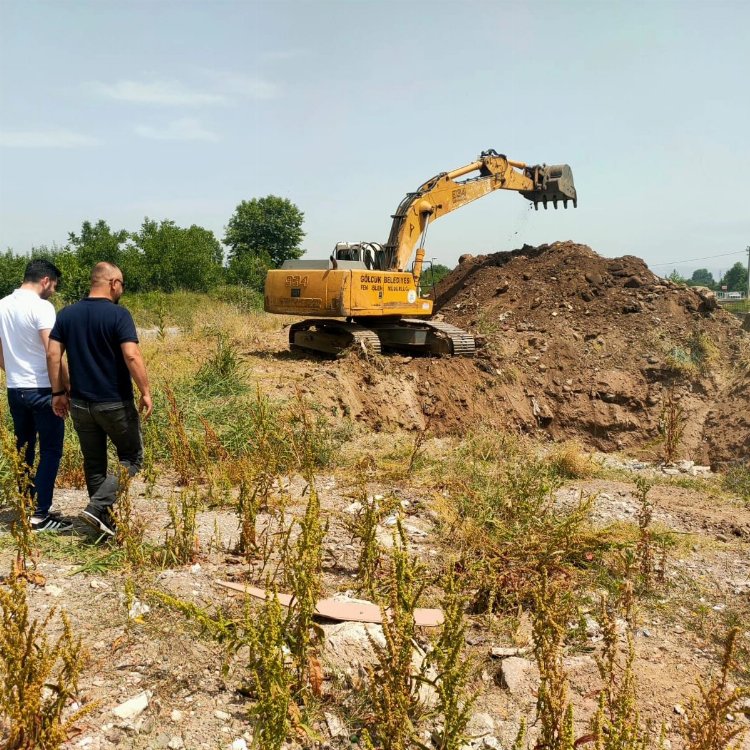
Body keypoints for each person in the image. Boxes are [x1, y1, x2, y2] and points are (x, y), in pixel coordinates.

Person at [47, 262, 153, 536]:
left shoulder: (67, 314)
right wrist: (145, 391)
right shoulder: (119, 315)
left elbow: (52, 356)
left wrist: (58, 392)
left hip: (81, 404)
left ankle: (101, 522)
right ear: (113, 283)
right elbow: (131, 355)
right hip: (114, 401)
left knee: (94, 463)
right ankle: (96, 509)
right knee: (132, 458)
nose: (122, 289)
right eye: (122, 284)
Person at [0, 259, 72, 532]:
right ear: (45, 280)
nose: (53, 291)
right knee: (51, 449)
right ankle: (40, 515)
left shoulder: (3, 304)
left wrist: (15, 371)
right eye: (53, 285)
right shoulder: (42, 307)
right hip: (43, 389)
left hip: (15, 389)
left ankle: (26, 505)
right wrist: (62, 389)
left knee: (24, 449)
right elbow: (53, 352)